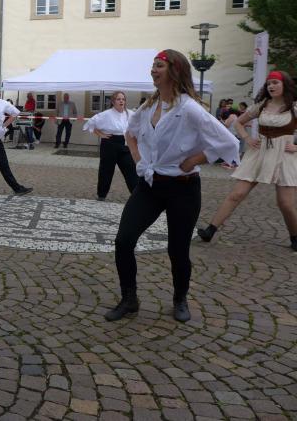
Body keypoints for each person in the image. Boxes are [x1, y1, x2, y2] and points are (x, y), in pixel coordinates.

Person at [104, 50, 239, 323]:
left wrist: (195, 160)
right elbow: (130, 133)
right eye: (153, 65)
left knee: (177, 249)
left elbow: (228, 143)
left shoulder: (189, 108)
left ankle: (180, 298)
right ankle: (129, 298)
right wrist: (139, 160)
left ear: (175, 71)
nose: (153, 70)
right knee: (123, 240)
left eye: (159, 66)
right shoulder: (148, 106)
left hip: (183, 189)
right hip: (150, 186)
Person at [198, 71, 297, 251]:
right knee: (237, 194)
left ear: (285, 85)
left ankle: (295, 236)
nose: (271, 86)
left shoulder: (294, 108)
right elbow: (238, 122)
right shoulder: (262, 105)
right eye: (269, 83)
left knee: (285, 203)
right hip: (259, 153)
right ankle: (210, 230)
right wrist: (247, 138)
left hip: (284, 156)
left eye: (275, 83)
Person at [83, 91, 138, 201]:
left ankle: (137, 195)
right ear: (113, 101)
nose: (121, 101)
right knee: (106, 170)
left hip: (124, 143)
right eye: (118, 99)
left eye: (123, 99)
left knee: (131, 170)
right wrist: (100, 134)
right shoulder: (106, 114)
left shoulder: (130, 114)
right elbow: (90, 123)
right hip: (109, 143)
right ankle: (102, 195)